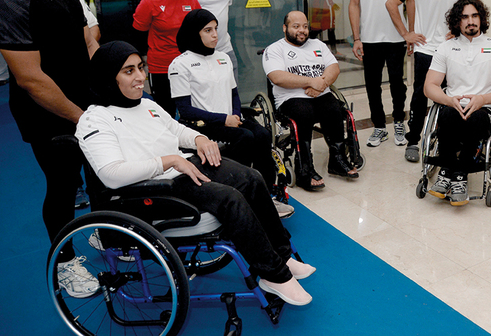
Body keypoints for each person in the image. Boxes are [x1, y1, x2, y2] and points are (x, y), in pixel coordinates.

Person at [76, 41, 315, 305]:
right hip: (150, 190)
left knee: (252, 179)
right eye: (129, 71)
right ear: (108, 77)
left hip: (180, 169)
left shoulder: (146, 105)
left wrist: (199, 139)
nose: (141, 77)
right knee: (230, 198)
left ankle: (282, 255)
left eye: (141, 68)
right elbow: (111, 174)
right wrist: (169, 161)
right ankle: (274, 275)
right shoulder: (94, 119)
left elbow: (176, 130)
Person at [0, 0, 99, 297]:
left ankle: (105, 232)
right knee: (64, 183)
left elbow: (87, 40)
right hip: (46, 112)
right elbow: (30, 77)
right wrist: (80, 117)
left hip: (85, 102)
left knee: (101, 173)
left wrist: (102, 99)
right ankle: (64, 262)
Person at [169, 9, 293, 218]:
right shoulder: (180, 64)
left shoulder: (224, 58)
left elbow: (234, 93)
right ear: (194, 33)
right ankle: (239, 194)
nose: (215, 34)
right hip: (202, 124)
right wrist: (224, 119)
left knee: (262, 134)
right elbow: (185, 110)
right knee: (245, 137)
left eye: (216, 29)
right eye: (208, 30)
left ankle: (265, 195)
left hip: (229, 120)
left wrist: (234, 116)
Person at [385, 0, 477, 163]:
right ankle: (413, 141)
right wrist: (406, 33)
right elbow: (391, 3)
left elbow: (475, 11)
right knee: (420, 95)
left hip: (454, 50)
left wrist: (460, 31)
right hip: (426, 50)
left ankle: (451, 139)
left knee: (454, 95)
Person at [424, 0, 491, 205]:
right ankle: (448, 171)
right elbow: (429, 86)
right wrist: (448, 100)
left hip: (484, 108)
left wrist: (483, 99)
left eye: (475, 16)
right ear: (457, 21)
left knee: (477, 119)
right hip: (453, 105)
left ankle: (458, 174)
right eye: (465, 17)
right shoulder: (445, 48)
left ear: (481, 18)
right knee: (447, 115)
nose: (471, 21)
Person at [263, 11, 358, 190]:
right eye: (296, 26)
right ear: (285, 28)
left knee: (335, 110)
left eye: (305, 26)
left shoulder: (318, 44)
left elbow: (334, 68)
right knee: (304, 113)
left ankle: (337, 161)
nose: (302, 30)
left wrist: (321, 85)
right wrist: (311, 82)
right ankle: (304, 168)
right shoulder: (274, 49)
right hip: (291, 97)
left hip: (321, 93)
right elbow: (277, 77)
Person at [348, 0, 414, 148]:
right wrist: (357, 38)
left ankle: (399, 122)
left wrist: (410, 33)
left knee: (398, 84)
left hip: (396, 37)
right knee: (372, 86)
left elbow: (410, 1)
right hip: (369, 39)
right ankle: (379, 126)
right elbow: (354, 4)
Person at [132, 0, 201, 116]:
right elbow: (138, 34)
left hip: (188, 65)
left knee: (192, 110)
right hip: (162, 67)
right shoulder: (149, 2)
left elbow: (199, 30)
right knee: (165, 112)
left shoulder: (190, 0)